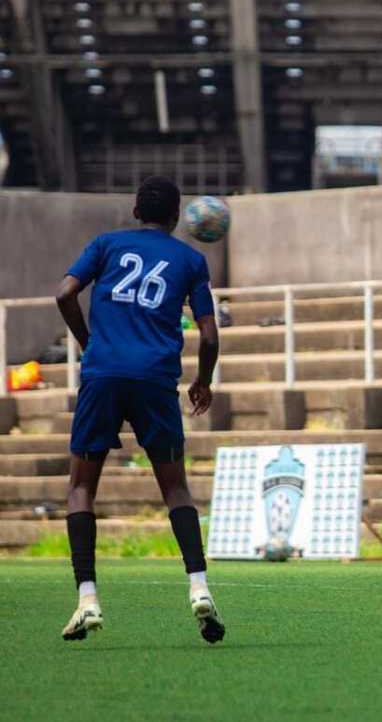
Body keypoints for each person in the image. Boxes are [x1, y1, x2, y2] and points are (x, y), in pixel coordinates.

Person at [55, 176, 225, 643]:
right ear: (176, 218)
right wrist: (203, 381)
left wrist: (90, 344)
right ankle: (199, 588)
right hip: (154, 379)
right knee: (175, 488)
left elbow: (65, 292)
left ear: (135, 211)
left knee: (80, 488)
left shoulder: (106, 244)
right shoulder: (191, 259)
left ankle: (87, 598)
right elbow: (209, 335)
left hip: (103, 377)